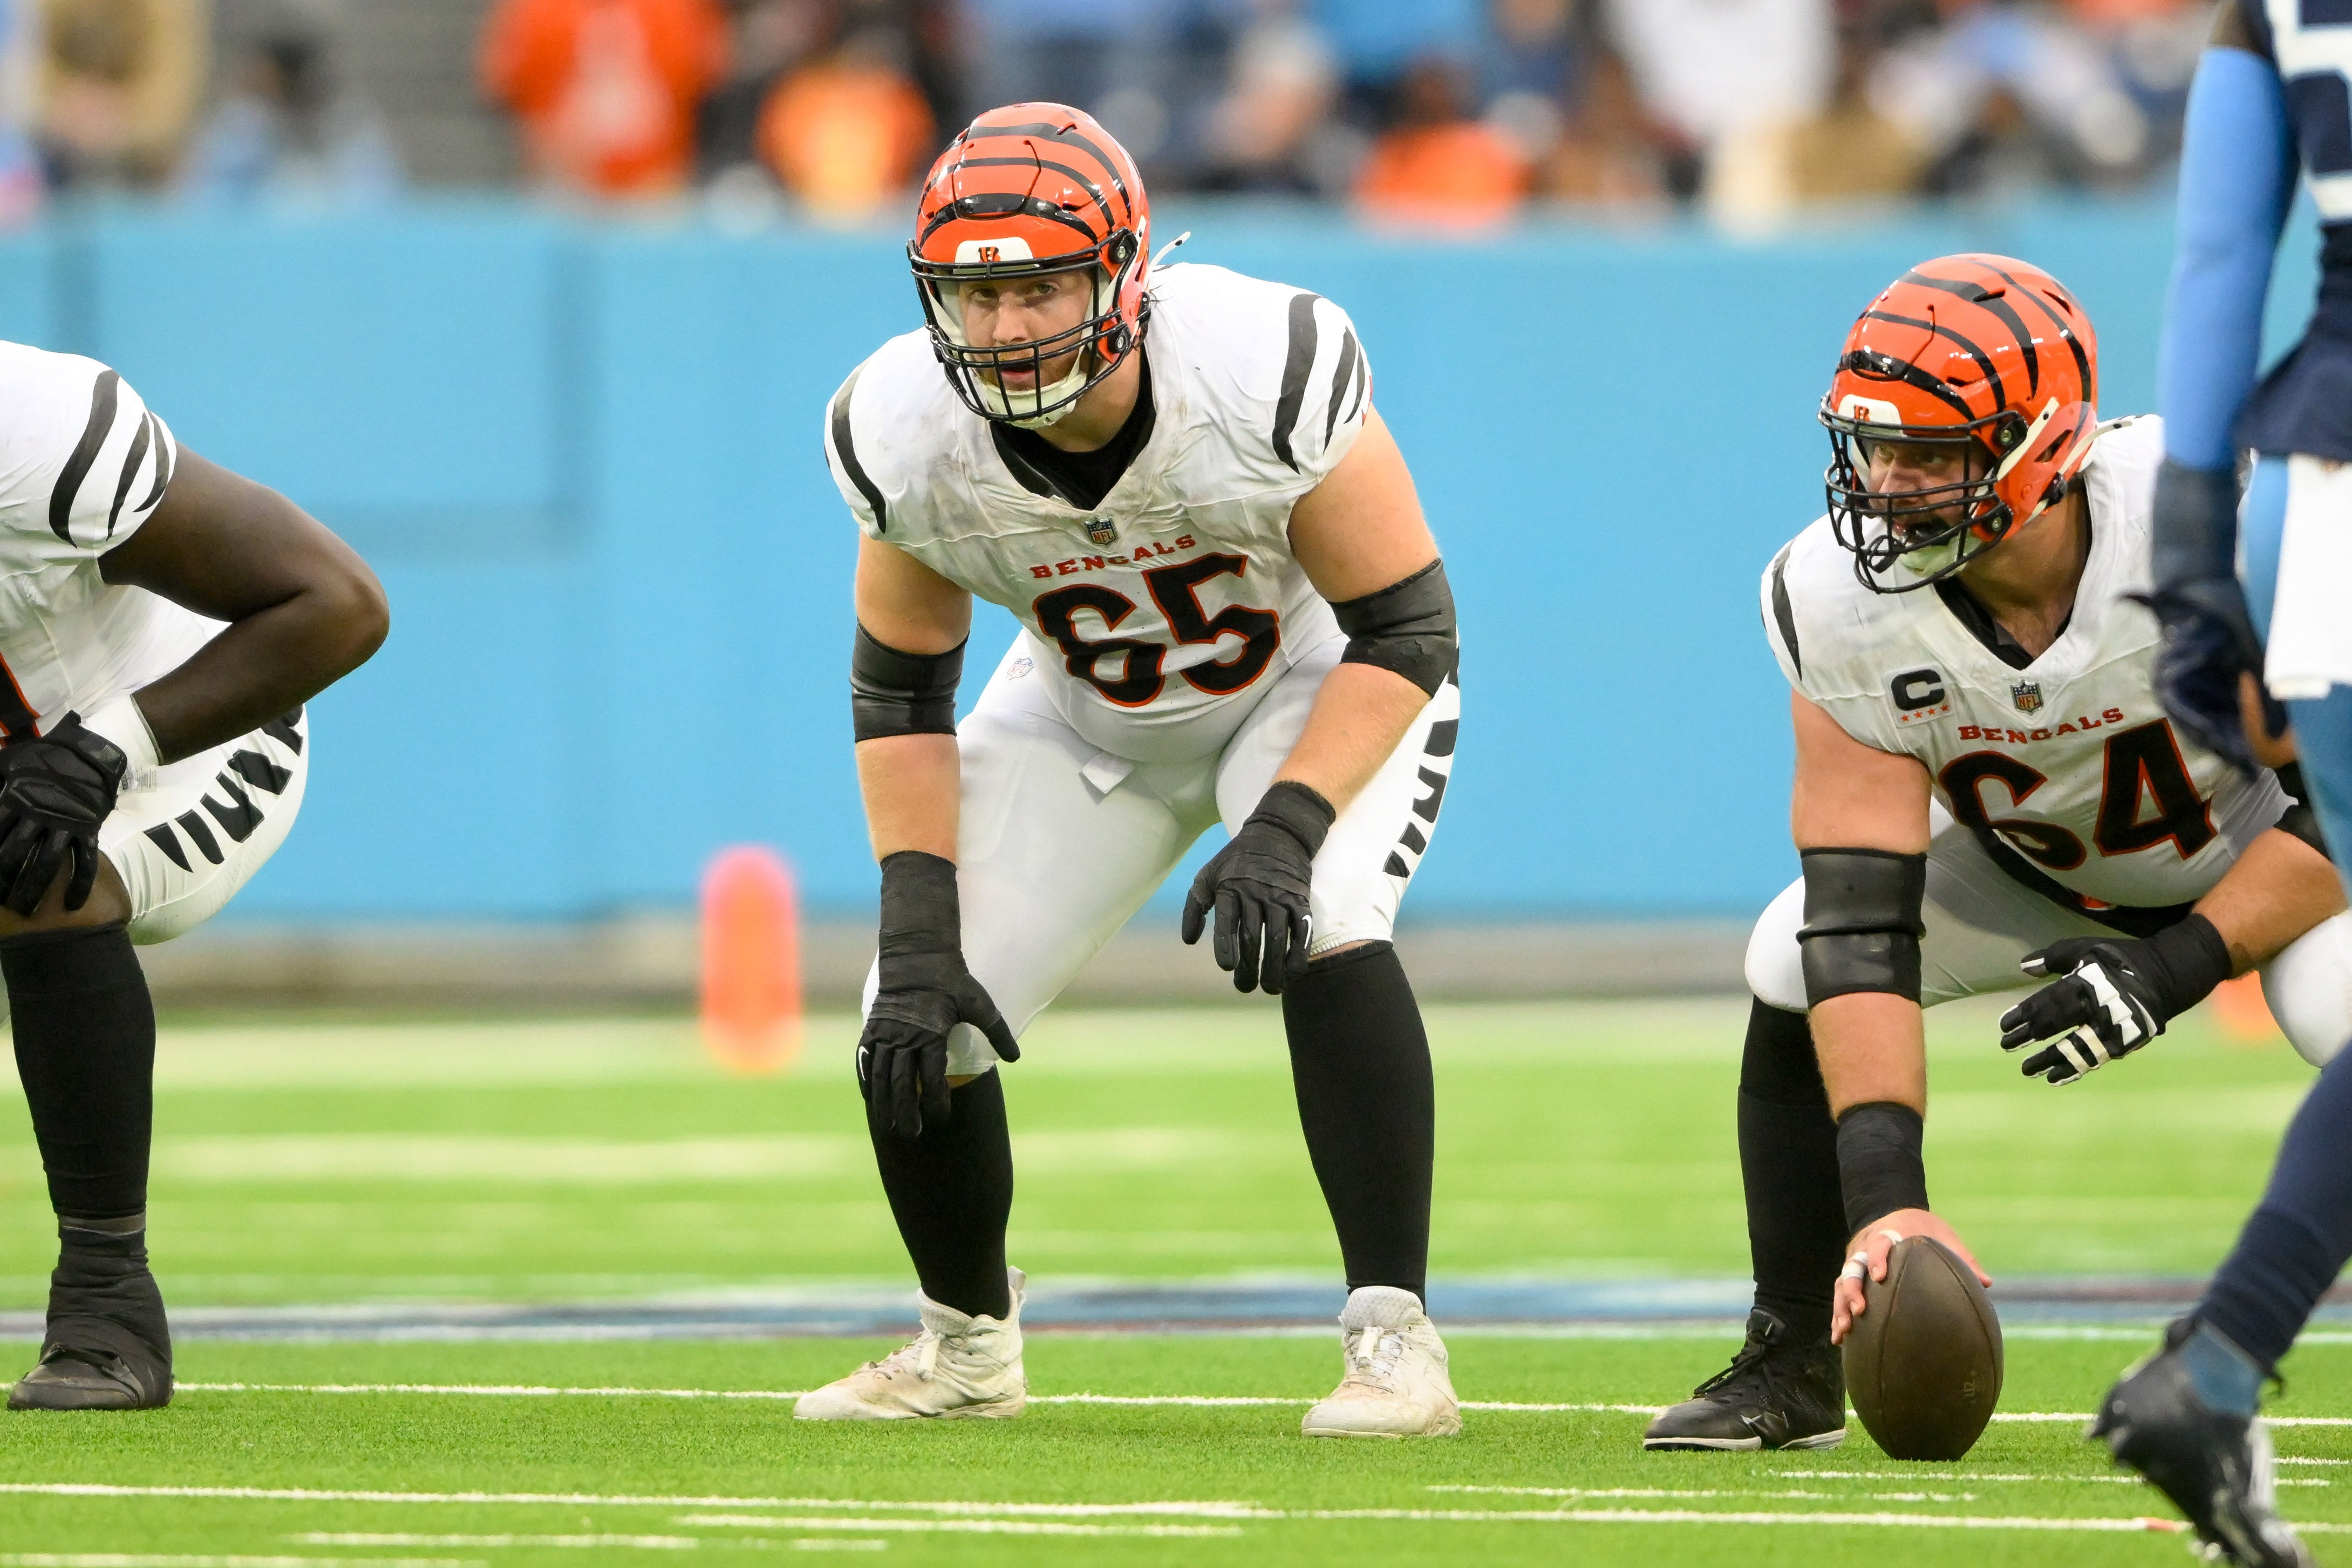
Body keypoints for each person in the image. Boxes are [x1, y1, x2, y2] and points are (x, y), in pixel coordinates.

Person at [802, 103, 1463, 1437]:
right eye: (973, 294)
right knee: (916, 1006)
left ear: (1125, 270)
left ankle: (1395, 1342)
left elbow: (1407, 622)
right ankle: (965, 1346)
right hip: (1083, 712)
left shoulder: (1256, 365)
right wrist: (917, 919)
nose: (1004, 327)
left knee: (1329, 914)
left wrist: (1282, 821)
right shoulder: (901, 428)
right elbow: (901, 684)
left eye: (1038, 283)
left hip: (1307, 677)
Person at [1639, 253, 2352, 1456]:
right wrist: (1888, 1204)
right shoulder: (1830, 598)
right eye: (1875, 449)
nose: (1889, 486)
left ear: (2044, 446)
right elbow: (1855, 910)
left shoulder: (2222, 520)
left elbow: (2336, 808)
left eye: (1932, 454)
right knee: (1786, 955)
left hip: (2274, 860)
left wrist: (2172, 966)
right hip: (2032, 869)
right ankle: (1793, 1352)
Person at [0, 345, 389, 1411]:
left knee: (34, 870)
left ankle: (108, 1304)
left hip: (183, 736)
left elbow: (338, 602)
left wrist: (105, 749)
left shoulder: (31, 427)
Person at [2088, 3, 2352, 1562]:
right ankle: (2216, 1363)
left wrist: (2198, 546)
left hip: (2325, 500)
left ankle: (2218, 1365)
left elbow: (2214, 265)